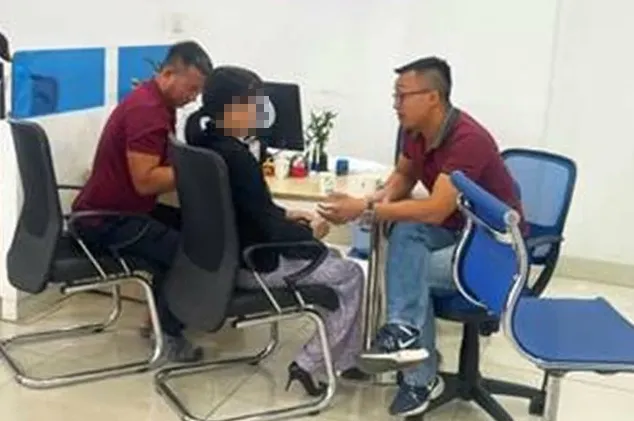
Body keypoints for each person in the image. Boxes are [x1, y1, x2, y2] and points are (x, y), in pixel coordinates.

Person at [317, 57, 524, 417]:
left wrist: (364, 210)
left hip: (495, 247)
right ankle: (405, 333)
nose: (395, 104)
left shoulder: (468, 139)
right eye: (394, 96)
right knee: (407, 235)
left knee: (413, 273)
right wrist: (372, 201)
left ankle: (417, 376)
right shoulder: (416, 130)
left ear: (432, 97)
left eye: (402, 96)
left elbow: (435, 209)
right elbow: (403, 175)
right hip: (457, 233)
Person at [185, 65, 367, 396]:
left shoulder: (202, 143)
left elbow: (251, 211)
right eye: (254, 103)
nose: (260, 111)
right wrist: (312, 231)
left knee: (333, 265)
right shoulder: (237, 158)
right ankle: (308, 364)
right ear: (233, 108)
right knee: (351, 274)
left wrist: (286, 214)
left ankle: (345, 358)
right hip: (255, 265)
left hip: (223, 261)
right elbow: (267, 229)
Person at [72, 40, 213, 363]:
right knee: (187, 252)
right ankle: (169, 336)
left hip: (119, 210)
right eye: (191, 88)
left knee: (196, 230)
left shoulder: (156, 102)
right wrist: (197, 169)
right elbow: (146, 180)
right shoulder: (147, 110)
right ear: (168, 74)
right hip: (105, 220)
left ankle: (158, 320)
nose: (194, 98)